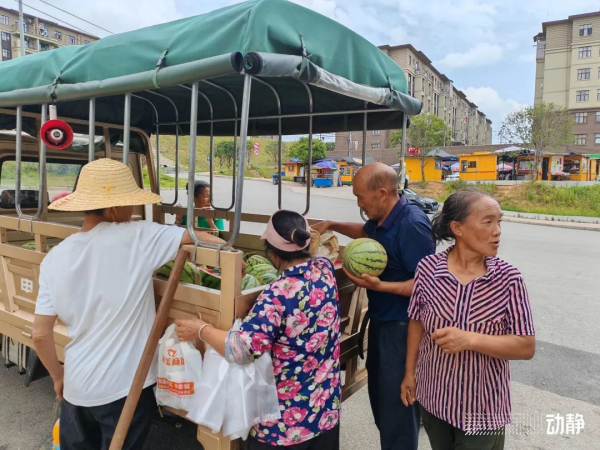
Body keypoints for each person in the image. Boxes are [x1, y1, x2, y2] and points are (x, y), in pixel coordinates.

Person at [32, 159, 225, 450]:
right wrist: (230, 255)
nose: (134, 211)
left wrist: (58, 377)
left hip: (76, 385)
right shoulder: (137, 236)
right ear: (113, 208)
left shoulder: (54, 258)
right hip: (125, 389)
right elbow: (200, 238)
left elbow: (40, 335)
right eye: (129, 204)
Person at [175, 210, 342, 449]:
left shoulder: (277, 294)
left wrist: (200, 328)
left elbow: (242, 350)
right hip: (325, 412)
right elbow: (320, 250)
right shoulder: (324, 270)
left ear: (272, 255)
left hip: (286, 426)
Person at [312, 162, 434, 450]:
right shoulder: (384, 217)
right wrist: (332, 225)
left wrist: (380, 287)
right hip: (382, 323)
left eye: (360, 197)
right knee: (382, 404)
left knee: (398, 412)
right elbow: (367, 233)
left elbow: (428, 286)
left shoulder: (412, 225)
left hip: (403, 330)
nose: (359, 204)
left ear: (381, 193)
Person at [402, 189, 536, 450]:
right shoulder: (428, 270)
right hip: (434, 399)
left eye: (499, 222)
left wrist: (470, 339)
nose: (497, 231)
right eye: (488, 221)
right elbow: (416, 321)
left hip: (482, 410)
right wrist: (410, 374)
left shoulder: (509, 280)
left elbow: (525, 346)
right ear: (458, 228)